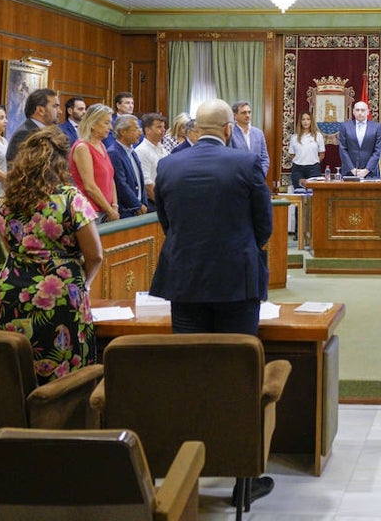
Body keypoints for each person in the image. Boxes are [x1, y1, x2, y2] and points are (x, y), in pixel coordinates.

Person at [150, 99, 275, 507]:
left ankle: (187, 469)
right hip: (236, 281)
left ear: (193, 129)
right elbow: (265, 224)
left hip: (185, 281)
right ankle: (242, 478)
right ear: (226, 129)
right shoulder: (244, 162)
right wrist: (243, 250)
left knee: (191, 372)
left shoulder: (168, 165)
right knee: (237, 372)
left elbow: (166, 222)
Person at [0, 127, 102, 384]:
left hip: (14, 287)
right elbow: (95, 254)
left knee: (19, 363)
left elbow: (9, 245)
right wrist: (84, 283)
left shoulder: (5, 198)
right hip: (61, 288)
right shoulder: (70, 199)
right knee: (66, 364)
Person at [69, 103, 118, 222]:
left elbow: (110, 178)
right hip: (90, 212)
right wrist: (110, 211)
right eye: (106, 123)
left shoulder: (101, 145)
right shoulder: (82, 147)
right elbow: (89, 186)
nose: (110, 127)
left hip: (107, 211)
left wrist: (114, 206)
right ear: (93, 124)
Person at [107, 114, 148, 218]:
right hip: (126, 211)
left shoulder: (132, 151)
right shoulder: (114, 153)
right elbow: (121, 184)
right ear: (123, 131)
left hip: (139, 209)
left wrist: (144, 203)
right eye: (136, 129)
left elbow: (140, 180)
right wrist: (137, 206)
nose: (140, 132)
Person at [5, 88, 60, 163]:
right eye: (55, 106)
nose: (60, 111)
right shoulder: (24, 134)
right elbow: (15, 169)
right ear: (40, 110)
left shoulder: (53, 133)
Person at [338, 101, 381, 179]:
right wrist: (352, 169)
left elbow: (377, 151)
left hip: (370, 173)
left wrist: (366, 170)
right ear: (353, 112)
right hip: (349, 172)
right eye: (357, 110)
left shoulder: (377, 127)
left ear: (368, 112)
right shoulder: (345, 126)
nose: (360, 113)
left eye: (363, 110)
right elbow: (342, 149)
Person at [229, 100, 270, 176]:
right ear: (235, 116)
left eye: (249, 112)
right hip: (238, 179)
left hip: (257, 178)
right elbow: (229, 159)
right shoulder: (230, 133)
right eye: (244, 113)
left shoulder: (258, 133)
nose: (247, 115)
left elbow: (264, 158)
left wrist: (261, 175)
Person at [135, 113, 169, 204]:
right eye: (159, 127)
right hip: (153, 201)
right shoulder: (141, 151)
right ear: (148, 130)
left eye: (163, 127)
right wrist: (162, 204)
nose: (163, 130)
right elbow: (147, 185)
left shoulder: (163, 149)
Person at [288, 110, 324, 188]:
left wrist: (314, 161)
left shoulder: (318, 136)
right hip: (298, 169)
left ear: (311, 121)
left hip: (313, 169)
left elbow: (322, 154)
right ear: (300, 121)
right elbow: (292, 154)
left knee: (313, 194)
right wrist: (300, 161)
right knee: (299, 192)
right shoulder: (294, 137)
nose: (305, 122)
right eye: (303, 119)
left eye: (308, 119)